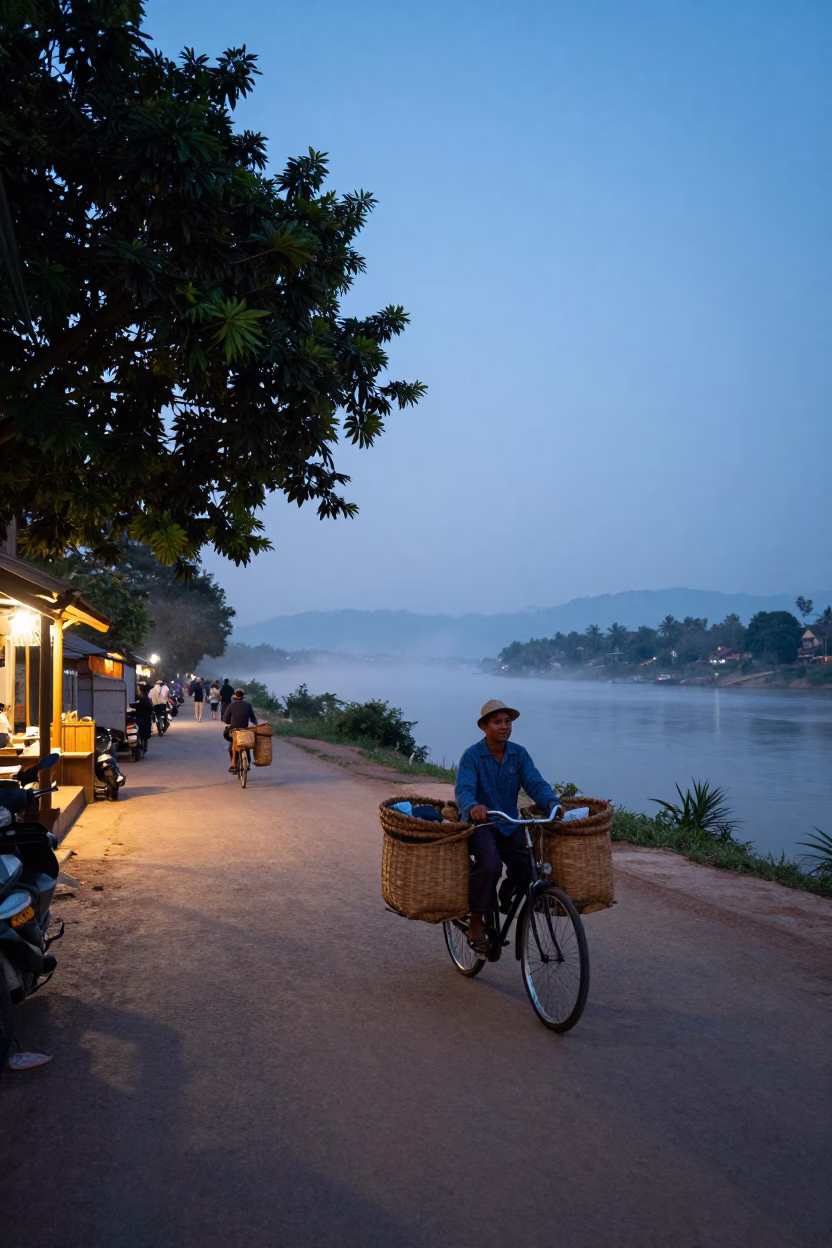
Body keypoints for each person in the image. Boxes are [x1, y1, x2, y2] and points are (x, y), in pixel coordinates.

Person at [455, 699, 559, 954]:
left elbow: (535, 782)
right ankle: (477, 924)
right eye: (497, 722)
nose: (504, 727)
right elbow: (464, 789)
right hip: (482, 823)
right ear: (484, 727)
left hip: (511, 823)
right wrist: (473, 806)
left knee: (526, 867)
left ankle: (505, 895)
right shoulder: (472, 755)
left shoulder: (518, 753)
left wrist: (552, 802)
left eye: (508, 722)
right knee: (490, 865)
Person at [222, 688, 257, 773]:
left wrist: (232, 720)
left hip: (234, 729)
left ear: (235, 696)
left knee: (231, 742)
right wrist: (255, 725)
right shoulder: (248, 705)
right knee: (247, 743)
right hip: (244, 730)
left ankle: (233, 764)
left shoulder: (231, 705)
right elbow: (253, 718)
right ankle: (247, 763)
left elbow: (225, 720)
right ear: (243, 697)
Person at [131, 683, 154, 755]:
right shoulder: (148, 700)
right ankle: (144, 746)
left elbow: (132, 706)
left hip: (140, 719)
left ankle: (142, 746)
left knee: (140, 733)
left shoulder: (138, 700)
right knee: (144, 735)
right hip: (146, 719)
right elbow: (151, 709)